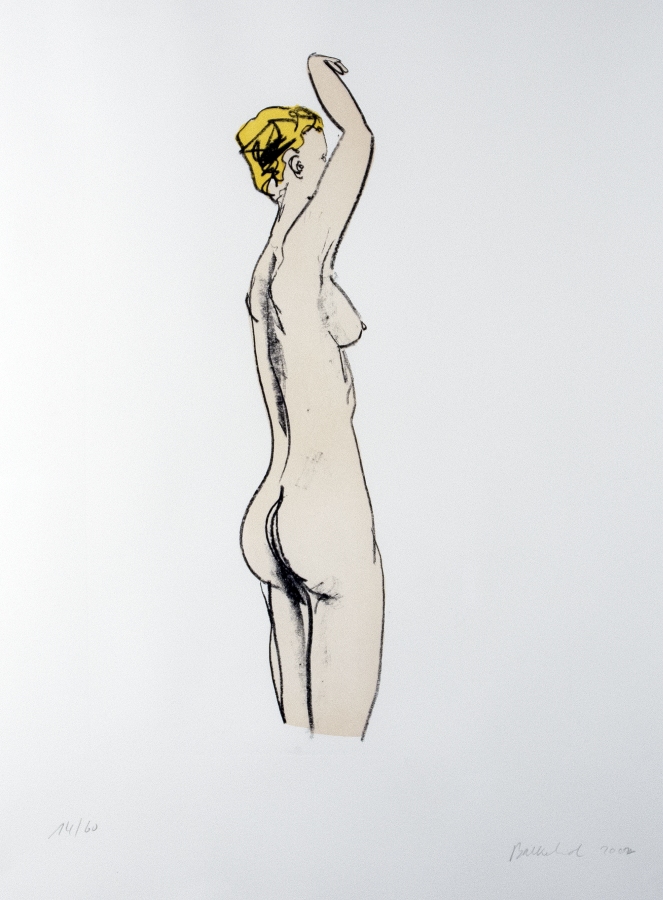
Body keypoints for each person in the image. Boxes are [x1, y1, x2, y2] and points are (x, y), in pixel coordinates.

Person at [236, 54, 384, 738]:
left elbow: (345, 329)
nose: (329, 171)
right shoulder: (306, 247)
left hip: (270, 510)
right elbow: (362, 138)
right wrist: (319, 72)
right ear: (295, 166)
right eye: (318, 161)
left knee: (299, 749)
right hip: (327, 509)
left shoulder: (267, 272)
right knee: (342, 749)